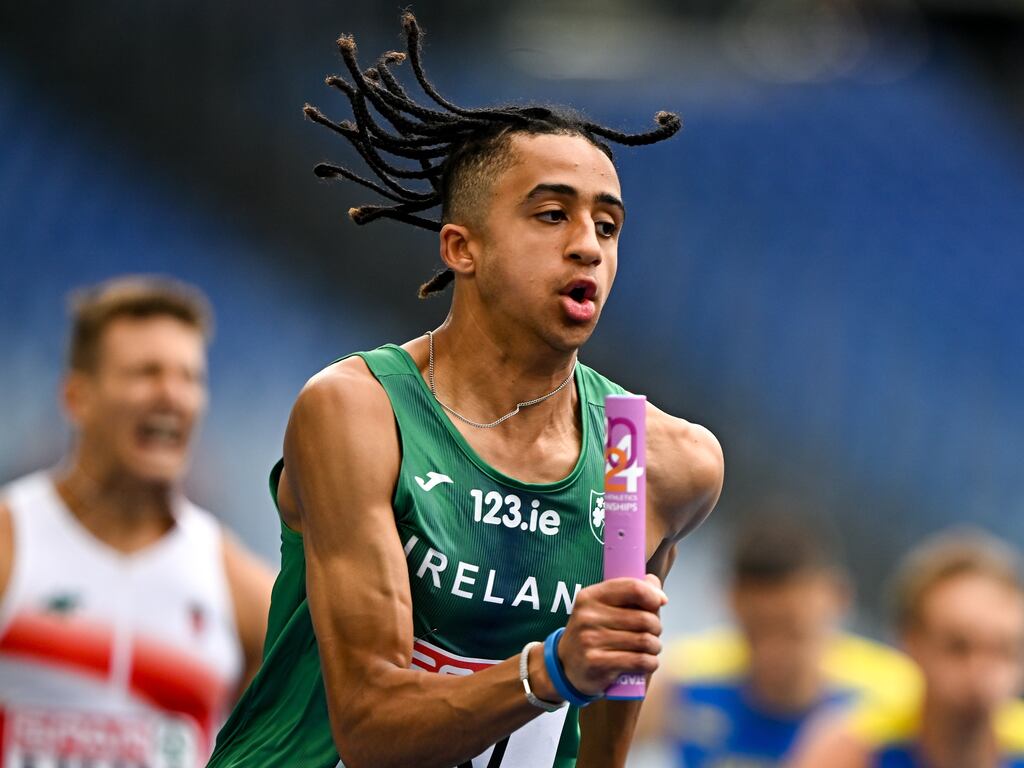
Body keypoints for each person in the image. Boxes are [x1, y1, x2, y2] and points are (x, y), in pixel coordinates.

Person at [207, 12, 724, 768]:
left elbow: (600, 741)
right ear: (463, 247)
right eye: (552, 215)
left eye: (607, 226)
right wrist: (551, 669)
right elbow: (371, 727)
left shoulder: (647, 458)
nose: (587, 243)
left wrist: (580, 669)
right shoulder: (357, 411)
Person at [0, 276, 275, 768]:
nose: (171, 395)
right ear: (77, 397)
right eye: (146, 373)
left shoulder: (243, 592)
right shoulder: (10, 542)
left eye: (189, 377)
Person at [633, 513, 919, 767]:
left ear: (837, 599)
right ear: (731, 603)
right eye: (756, 631)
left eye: (792, 631)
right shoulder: (687, 680)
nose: (773, 652)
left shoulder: (895, 694)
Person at [791, 529, 1024, 768]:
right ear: (910, 641)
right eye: (958, 648)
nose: (981, 671)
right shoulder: (856, 751)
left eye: (1004, 650)